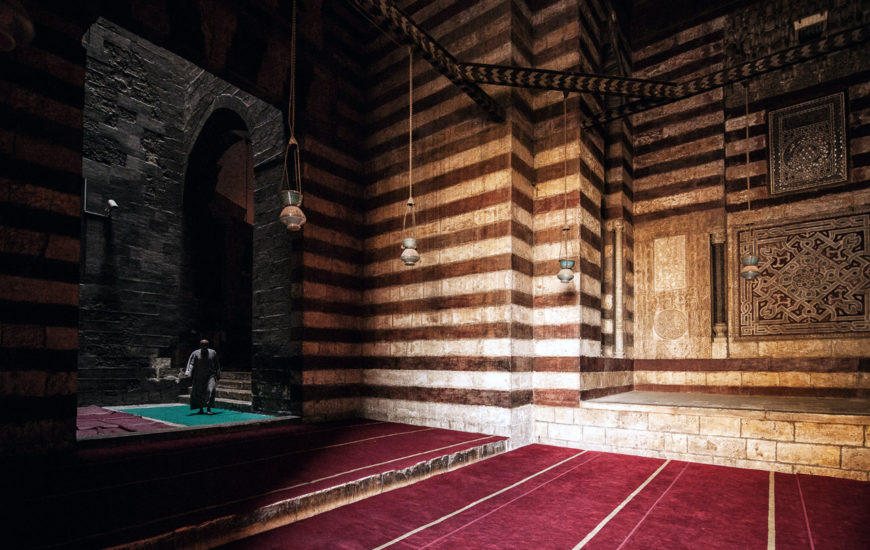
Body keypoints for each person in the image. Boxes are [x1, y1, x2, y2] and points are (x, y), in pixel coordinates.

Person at [184, 339, 221, 415]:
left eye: (206, 345)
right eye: (203, 345)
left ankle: (208, 408)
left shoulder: (213, 352)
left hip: (211, 375)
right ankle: (200, 408)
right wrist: (188, 372)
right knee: (199, 392)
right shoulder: (195, 353)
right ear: (200, 345)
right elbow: (191, 363)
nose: (204, 346)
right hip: (199, 375)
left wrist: (218, 374)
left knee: (210, 390)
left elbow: (217, 364)